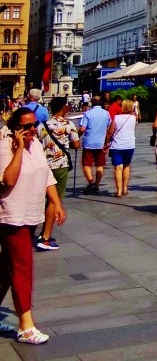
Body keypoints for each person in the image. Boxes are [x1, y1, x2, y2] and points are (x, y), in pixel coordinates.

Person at [0, 107, 65, 344]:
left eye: (34, 125)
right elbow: (8, 180)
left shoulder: (36, 144)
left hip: (31, 214)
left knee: (7, 269)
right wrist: (18, 149)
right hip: (12, 216)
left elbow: (46, 175)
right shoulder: (4, 145)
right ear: (15, 127)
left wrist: (57, 203)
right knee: (22, 269)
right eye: (26, 126)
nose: (31, 130)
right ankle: (26, 327)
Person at [36, 96, 79, 250]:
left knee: (44, 199)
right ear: (64, 108)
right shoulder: (68, 124)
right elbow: (76, 144)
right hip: (60, 166)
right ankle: (46, 237)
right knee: (54, 200)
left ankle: (41, 232)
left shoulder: (42, 125)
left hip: (43, 165)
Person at [77, 95, 111, 194]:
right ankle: (96, 185)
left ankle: (91, 182)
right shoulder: (106, 113)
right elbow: (109, 128)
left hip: (89, 142)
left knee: (86, 164)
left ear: (92, 102)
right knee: (100, 164)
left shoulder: (88, 113)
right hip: (101, 142)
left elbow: (82, 129)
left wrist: (77, 136)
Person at [106, 99, 137, 197]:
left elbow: (110, 132)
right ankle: (125, 188)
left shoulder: (116, 118)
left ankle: (119, 191)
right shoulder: (133, 118)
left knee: (118, 168)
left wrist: (106, 141)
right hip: (129, 145)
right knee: (126, 165)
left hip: (117, 145)